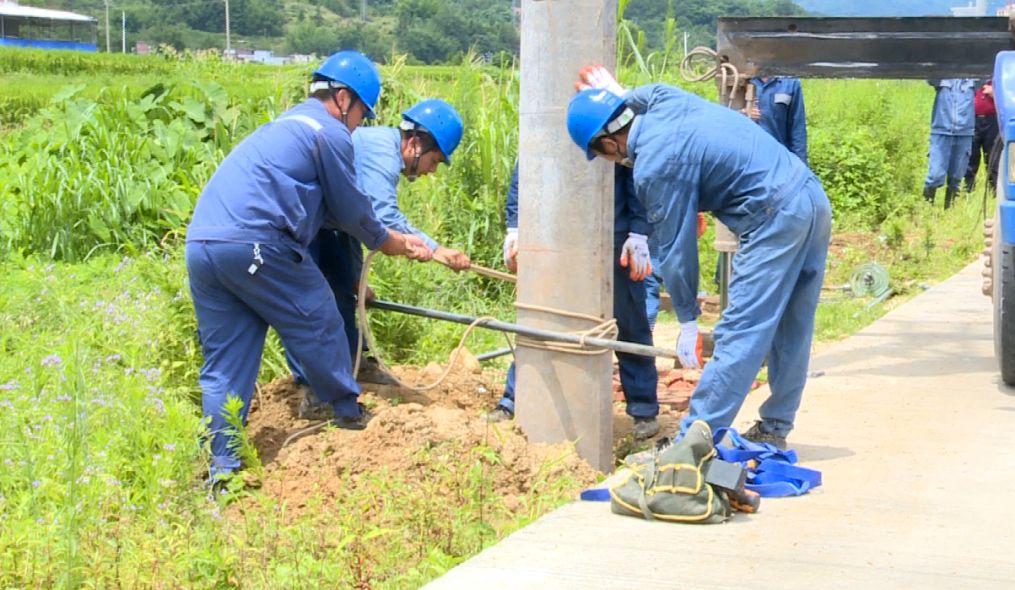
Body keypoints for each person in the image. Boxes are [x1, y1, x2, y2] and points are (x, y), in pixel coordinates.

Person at [185, 51, 432, 481]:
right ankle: (346, 408)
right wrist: (389, 241)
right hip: (256, 242)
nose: (358, 126)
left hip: (204, 244)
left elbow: (329, 212)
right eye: (360, 114)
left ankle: (221, 468)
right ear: (342, 98)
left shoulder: (285, 125)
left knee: (226, 363)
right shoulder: (329, 132)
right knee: (318, 312)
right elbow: (354, 210)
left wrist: (375, 250)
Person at [566, 66, 832, 450]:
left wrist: (688, 319)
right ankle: (775, 426)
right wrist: (619, 96)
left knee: (742, 331)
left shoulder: (654, 166)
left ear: (609, 146)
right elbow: (651, 90)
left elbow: (676, 252)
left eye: (604, 157)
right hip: (810, 196)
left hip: (773, 216)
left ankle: (691, 444)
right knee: (793, 323)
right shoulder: (664, 101)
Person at [283, 98, 469, 415]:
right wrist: (435, 249)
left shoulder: (381, 147)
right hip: (303, 223)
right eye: (435, 161)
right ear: (414, 144)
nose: (431, 171)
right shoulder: (381, 152)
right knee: (313, 303)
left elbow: (355, 224)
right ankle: (313, 385)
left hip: (329, 227)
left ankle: (353, 365)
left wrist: (355, 277)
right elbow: (382, 215)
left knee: (343, 293)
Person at [490, 162, 661, 440]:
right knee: (541, 322)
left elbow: (635, 173)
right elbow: (527, 171)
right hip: (556, 236)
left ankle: (643, 408)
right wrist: (515, 226)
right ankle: (514, 399)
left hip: (611, 234)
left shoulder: (614, 121)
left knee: (630, 324)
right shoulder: (549, 120)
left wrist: (638, 232)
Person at [924, 79, 977, 209]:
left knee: (956, 178)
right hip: (941, 130)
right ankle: (927, 208)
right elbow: (930, 77)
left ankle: (949, 211)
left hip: (964, 132)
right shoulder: (942, 75)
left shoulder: (973, 77)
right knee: (935, 174)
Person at [748, 76, 808, 164]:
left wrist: (801, 166)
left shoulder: (790, 82)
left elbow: (797, 129)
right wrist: (744, 114)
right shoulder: (741, 80)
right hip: (748, 161)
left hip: (779, 160)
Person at [965, 79, 999, 192]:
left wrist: (995, 91)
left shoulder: (996, 73)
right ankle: (968, 190)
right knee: (971, 156)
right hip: (972, 119)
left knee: (992, 157)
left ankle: (994, 191)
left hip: (992, 119)